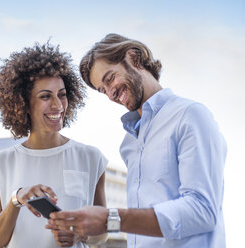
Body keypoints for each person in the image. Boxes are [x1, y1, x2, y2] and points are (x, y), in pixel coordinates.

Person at [47, 33, 227, 248]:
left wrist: (109, 220)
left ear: (134, 58)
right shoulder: (130, 143)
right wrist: (84, 232)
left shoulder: (190, 115)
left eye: (110, 78)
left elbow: (203, 211)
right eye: (102, 90)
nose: (110, 94)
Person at [0, 42, 109, 248]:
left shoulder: (91, 157)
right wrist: (17, 199)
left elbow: (103, 231)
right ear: (23, 103)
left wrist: (79, 236)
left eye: (61, 94)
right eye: (45, 96)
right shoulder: (0, 163)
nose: (58, 105)